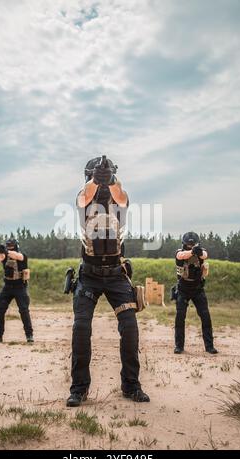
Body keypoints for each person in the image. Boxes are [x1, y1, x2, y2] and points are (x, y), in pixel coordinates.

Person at [66, 156, 150, 407]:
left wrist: (110, 179)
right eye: (96, 176)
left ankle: (131, 385)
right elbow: (85, 194)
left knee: (130, 329)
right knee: (81, 330)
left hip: (116, 274)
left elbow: (121, 195)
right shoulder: (83, 198)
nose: (101, 182)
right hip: (89, 276)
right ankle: (79, 389)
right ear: (88, 177)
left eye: (107, 175)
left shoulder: (119, 198)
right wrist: (96, 180)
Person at [174, 231, 218, 355]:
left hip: (198, 289)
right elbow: (180, 256)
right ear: (184, 244)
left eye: (193, 245)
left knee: (205, 317)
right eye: (188, 245)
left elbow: (204, 255)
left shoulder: (200, 252)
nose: (190, 246)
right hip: (183, 289)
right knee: (180, 318)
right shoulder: (179, 252)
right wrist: (192, 252)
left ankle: (209, 347)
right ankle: (179, 346)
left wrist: (198, 251)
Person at [0, 239, 34, 344]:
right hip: (8, 286)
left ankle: (29, 335)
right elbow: (1, 257)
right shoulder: (5, 255)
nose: (9, 248)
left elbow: (16, 256)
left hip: (20, 286)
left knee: (24, 311)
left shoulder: (22, 256)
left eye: (11, 246)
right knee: (0, 310)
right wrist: (0, 251)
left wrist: (6, 251)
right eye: (7, 246)